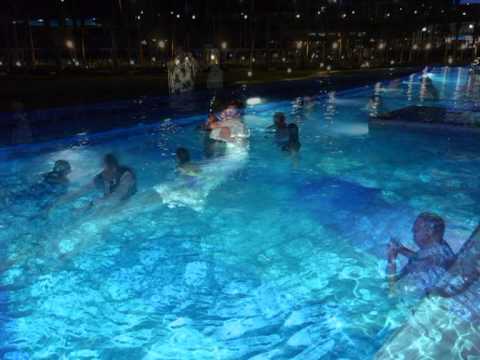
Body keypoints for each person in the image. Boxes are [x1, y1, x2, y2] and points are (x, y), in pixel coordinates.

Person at [387, 213, 456, 294]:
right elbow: (421, 258)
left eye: (416, 229)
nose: (412, 230)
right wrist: (402, 250)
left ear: (429, 232)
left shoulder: (421, 267)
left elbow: (393, 292)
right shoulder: (442, 247)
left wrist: (391, 260)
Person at [50, 154, 136, 214]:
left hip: (130, 202)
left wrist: (91, 205)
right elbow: (81, 191)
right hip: (108, 202)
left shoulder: (126, 175)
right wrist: (60, 201)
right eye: (103, 169)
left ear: (114, 168)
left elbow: (118, 195)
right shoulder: (101, 176)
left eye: (106, 169)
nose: (103, 172)